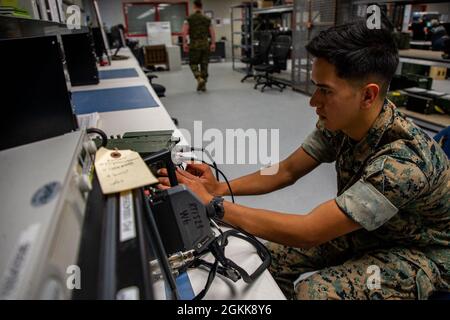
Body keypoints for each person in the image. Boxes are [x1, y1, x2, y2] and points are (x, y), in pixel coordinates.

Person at [158, 21, 450, 300]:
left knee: (315, 291)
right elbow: (285, 170)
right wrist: (220, 188)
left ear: (367, 96)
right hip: (373, 230)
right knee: (264, 258)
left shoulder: (403, 163)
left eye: (325, 90)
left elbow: (309, 231)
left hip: (422, 252)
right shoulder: (343, 122)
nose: (313, 101)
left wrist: (213, 205)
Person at [182, 0, 216, 92]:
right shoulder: (207, 19)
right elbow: (212, 32)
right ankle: (203, 85)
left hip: (194, 45)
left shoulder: (189, 18)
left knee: (193, 63)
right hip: (205, 45)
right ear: (201, 6)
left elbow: (184, 31)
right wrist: (213, 43)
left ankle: (199, 78)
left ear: (194, 6)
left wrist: (184, 43)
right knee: (204, 64)